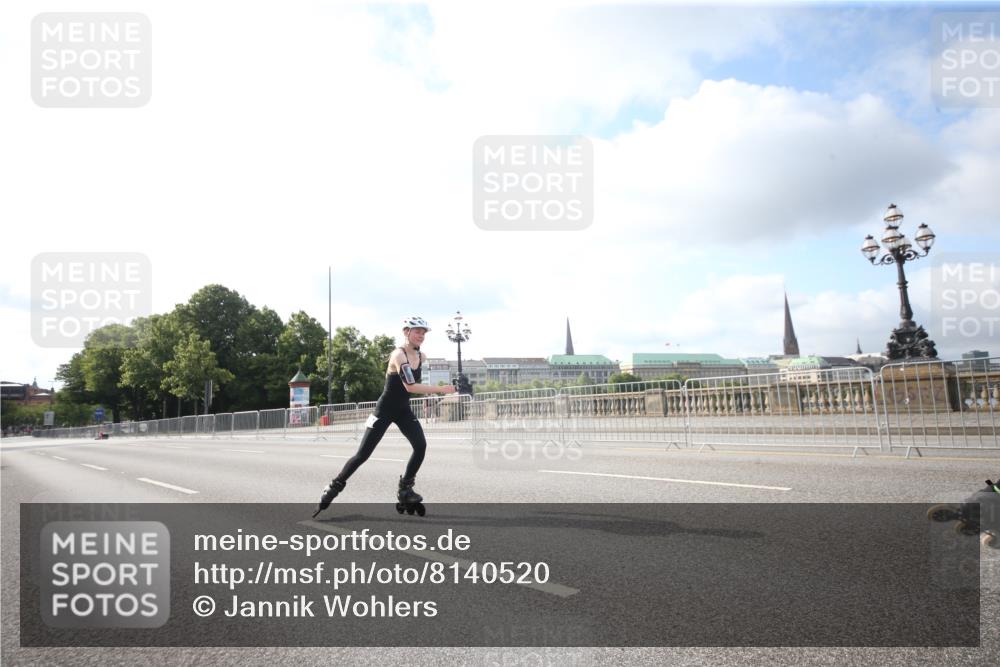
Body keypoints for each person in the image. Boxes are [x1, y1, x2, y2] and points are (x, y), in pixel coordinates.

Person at [313, 316, 456, 516]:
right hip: (384, 410)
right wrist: (441, 389)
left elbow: (409, 387)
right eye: (417, 331)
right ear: (406, 332)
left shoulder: (421, 356)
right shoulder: (398, 355)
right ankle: (332, 488)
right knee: (362, 455)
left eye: (424, 333)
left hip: (403, 410)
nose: (421, 335)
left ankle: (405, 489)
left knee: (420, 446)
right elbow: (410, 386)